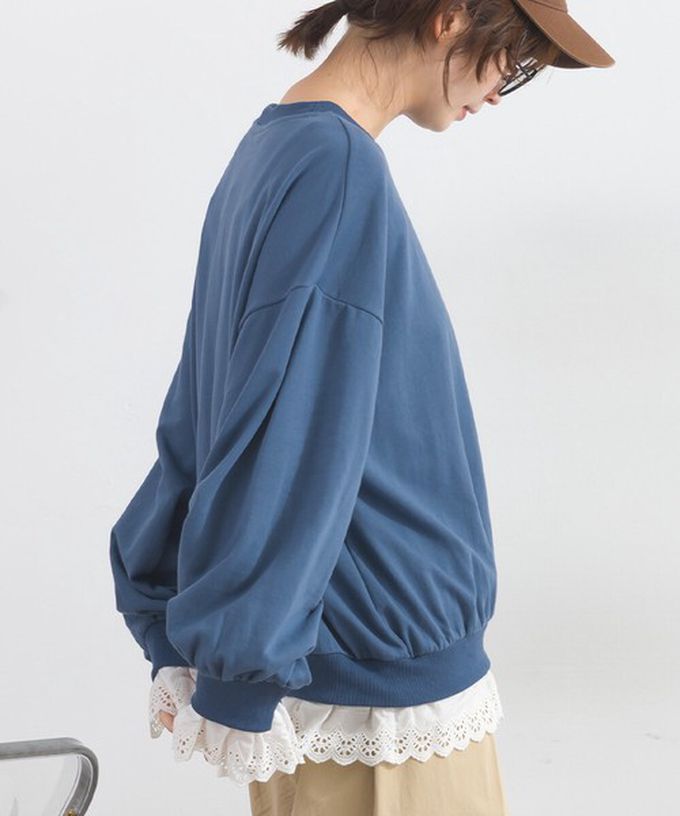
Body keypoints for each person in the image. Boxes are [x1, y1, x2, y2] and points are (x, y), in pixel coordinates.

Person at [109, 1, 615, 813]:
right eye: (513, 59)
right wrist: (241, 661)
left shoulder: (278, 147)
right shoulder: (338, 168)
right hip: (378, 698)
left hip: (334, 671)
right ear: (452, 17)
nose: (500, 89)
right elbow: (289, 433)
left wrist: (186, 618)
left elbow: (204, 405)